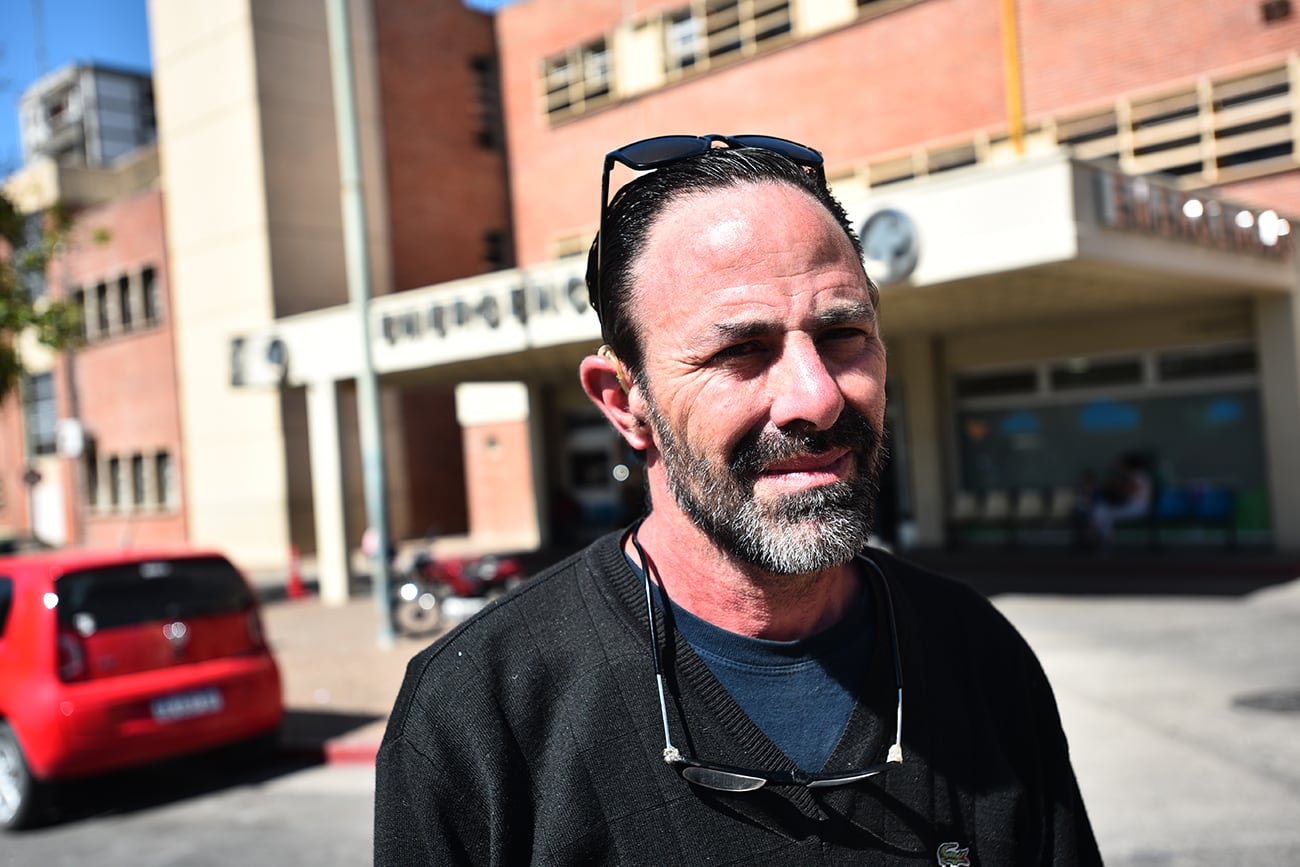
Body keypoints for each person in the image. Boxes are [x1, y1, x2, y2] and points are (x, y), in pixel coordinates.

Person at [375, 134, 1101, 865]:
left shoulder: (977, 653)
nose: (816, 397)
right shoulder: (480, 706)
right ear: (626, 403)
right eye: (740, 351)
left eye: (843, 333)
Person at [1090, 452, 1154, 544]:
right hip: (1135, 506)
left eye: (1122, 464)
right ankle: (1103, 538)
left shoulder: (1137, 476)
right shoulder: (1138, 475)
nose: (1120, 466)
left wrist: (1113, 486)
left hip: (1138, 508)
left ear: (1128, 465)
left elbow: (1125, 494)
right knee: (1103, 511)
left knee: (1103, 510)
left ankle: (1099, 538)